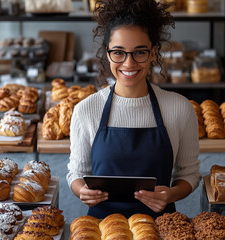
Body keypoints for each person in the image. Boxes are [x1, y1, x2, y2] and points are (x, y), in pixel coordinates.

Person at [67, 0, 201, 219]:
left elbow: (190, 174)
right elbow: (76, 173)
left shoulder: (179, 108)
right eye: (118, 53)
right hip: (101, 229)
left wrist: (172, 194)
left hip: (160, 228)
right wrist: (81, 191)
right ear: (107, 52)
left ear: (153, 52)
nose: (128, 64)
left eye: (139, 53)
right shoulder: (87, 109)